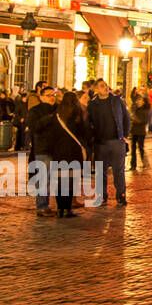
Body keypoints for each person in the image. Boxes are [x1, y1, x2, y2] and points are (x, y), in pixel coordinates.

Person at [86, 79, 129, 207]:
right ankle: (102, 196)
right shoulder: (93, 105)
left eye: (105, 85)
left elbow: (126, 118)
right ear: (96, 89)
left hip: (117, 141)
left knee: (119, 171)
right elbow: (89, 123)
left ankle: (121, 195)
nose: (105, 88)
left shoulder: (117, 101)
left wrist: (124, 135)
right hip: (101, 143)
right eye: (101, 86)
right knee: (100, 171)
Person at [48, 92, 91, 219]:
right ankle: (68, 209)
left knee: (60, 181)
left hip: (59, 152)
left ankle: (60, 209)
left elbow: (52, 134)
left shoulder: (57, 114)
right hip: (74, 152)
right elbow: (85, 133)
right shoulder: (78, 115)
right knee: (72, 181)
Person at [27, 84, 59, 217]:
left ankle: (46, 204)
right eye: (49, 95)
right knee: (43, 179)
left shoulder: (58, 109)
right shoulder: (35, 111)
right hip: (42, 149)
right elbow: (35, 127)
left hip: (55, 149)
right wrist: (50, 117)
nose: (52, 98)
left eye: (54, 95)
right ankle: (41, 206)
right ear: (41, 97)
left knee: (51, 179)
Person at [128, 89, 150, 171]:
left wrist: (134, 118)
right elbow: (131, 113)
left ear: (143, 101)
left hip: (141, 132)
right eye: (138, 100)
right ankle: (133, 165)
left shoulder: (145, 110)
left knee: (141, 148)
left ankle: (145, 163)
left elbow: (143, 121)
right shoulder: (135, 108)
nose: (138, 101)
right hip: (134, 131)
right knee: (133, 149)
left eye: (140, 100)